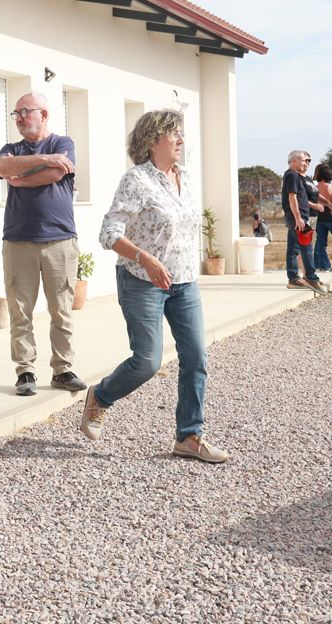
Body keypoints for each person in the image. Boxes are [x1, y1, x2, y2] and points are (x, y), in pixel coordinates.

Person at [81, 110, 226, 463]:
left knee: (196, 356)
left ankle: (189, 437)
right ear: (152, 141)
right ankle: (100, 397)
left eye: (181, 134)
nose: (180, 140)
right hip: (141, 281)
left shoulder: (186, 178)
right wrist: (145, 257)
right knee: (147, 361)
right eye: (173, 134)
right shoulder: (136, 181)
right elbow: (109, 233)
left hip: (184, 282)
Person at [0, 91, 87, 396]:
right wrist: (44, 162)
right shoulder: (10, 148)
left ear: (44, 114)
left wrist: (24, 172)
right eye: (16, 113)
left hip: (60, 239)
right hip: (18, 240)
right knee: (20, 311)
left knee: (61, 309)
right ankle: (25, 373)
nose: (19, 118)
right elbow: (3, 168)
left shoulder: (64, 144)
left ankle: (63, 370)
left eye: (26, 112)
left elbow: (55, 173)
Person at [281, 150, 326, 294]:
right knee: (306, 246)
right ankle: (311, 278)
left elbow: (302, 197)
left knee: (293, 249)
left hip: (300, 216)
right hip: (297, 217)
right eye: (303, 160)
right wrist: (298, 217)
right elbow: (292, 197)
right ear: (293, 161)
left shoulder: (297, 177)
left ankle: (293, 278)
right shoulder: (292, 175)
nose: (306, 162)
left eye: (308, 161)